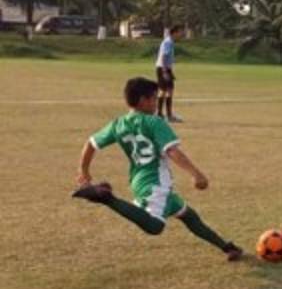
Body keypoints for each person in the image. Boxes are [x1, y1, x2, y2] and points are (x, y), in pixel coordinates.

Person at [71, 77, 243, 261]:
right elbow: (171, 151)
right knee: (155, 226)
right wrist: (196, 174)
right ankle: (107, 198)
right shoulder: (154, 122)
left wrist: (84, 171)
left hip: (139, 180)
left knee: (188, 215)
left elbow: (91, 143)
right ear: (143, 100)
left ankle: (227, 247)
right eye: (153, 98)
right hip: (155, 182)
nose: (155, 102)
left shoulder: (118, 124)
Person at [155, 25, 183, 122]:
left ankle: (166, 114)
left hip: (165, 68)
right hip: (163, 68)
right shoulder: (168, 42)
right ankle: (163, 114)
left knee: (168, 90)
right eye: (180, 32)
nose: (181, 34)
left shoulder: (170, 42)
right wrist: (164, 71)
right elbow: (163, 56)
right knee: (164, 91)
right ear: (174, 32)